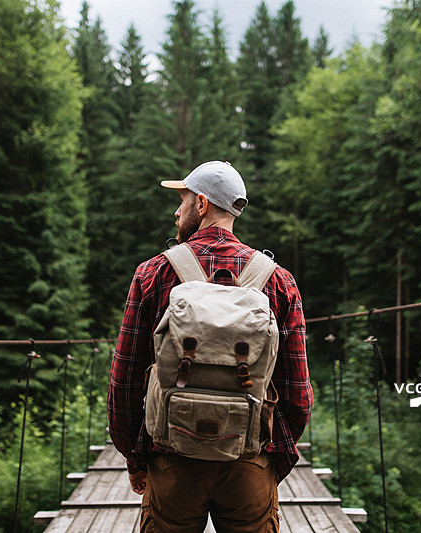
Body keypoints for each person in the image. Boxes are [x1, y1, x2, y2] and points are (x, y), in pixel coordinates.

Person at [107, 160, 313, 532]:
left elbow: (123, 383)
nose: (176, 210)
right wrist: (271, 461)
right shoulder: (279, 281)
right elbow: (298, 395)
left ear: (201, 205)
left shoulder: (153, 273)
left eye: (182, 200)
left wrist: (136, 458)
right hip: (248, 457)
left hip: (172, 456)